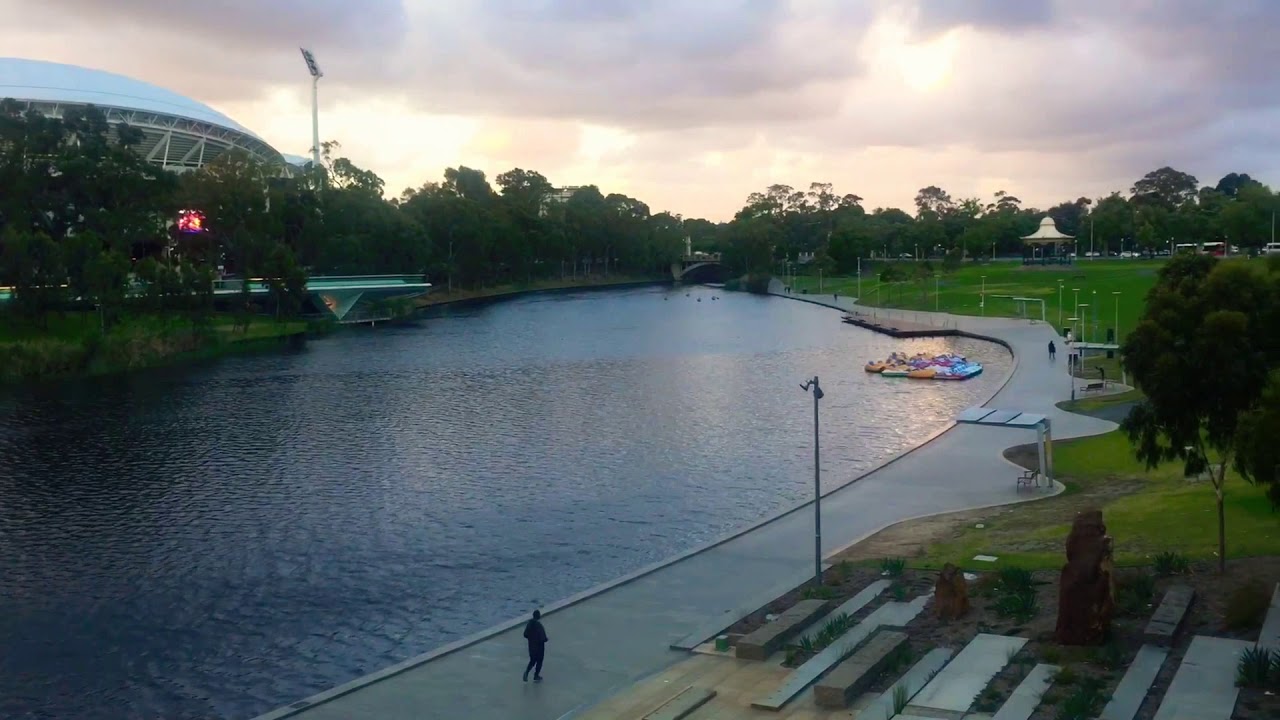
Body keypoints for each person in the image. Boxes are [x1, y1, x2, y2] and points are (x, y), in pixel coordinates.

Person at [522, 610, 548, 683]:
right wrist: (545, 639)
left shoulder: (529, 624)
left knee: (532, 661)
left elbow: (525, 634)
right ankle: (536, 675)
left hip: (531, 646)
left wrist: (531, 638)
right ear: (538, 616)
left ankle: (526, 672)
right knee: (539, 661)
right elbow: (543, 637)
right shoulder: (539, 625)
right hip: (539, 647)